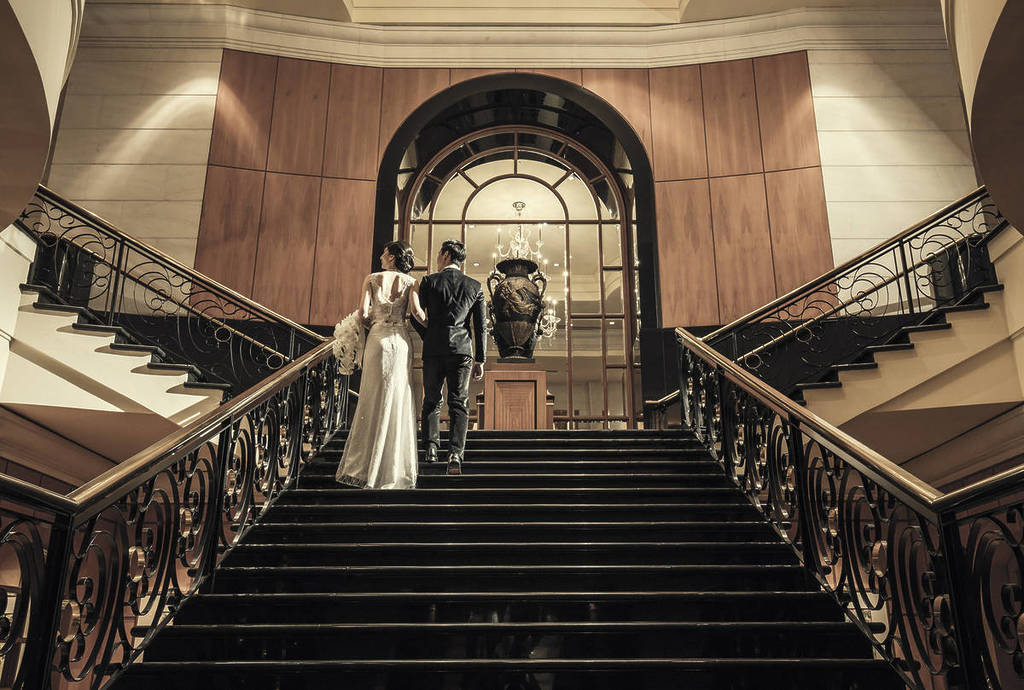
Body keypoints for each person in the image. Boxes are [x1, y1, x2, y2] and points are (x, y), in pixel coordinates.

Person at [335, 241, 426, 489]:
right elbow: (418, 314)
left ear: (394, 257)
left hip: (377, 340)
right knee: (397, 398)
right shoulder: (411, 282)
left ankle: (364, 466)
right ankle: (392, 468)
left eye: (385, 253)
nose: (381, 256)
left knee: (372, 397)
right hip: (401, 341)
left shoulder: (372, 279)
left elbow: (362, 313)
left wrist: (374, 325)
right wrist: (439, 330)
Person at [413, 239, 486, 476]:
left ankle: (431, 449)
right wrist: (480, 359)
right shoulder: (475, 286)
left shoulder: (429, 281)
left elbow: (416, 314)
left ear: (445, 255)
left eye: (438, 253)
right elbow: (480, 326)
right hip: (462, 351)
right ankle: (455, 452)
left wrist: (430, 335)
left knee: (432, 400)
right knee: (459, 402)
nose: (437, 257)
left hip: (433, 348)